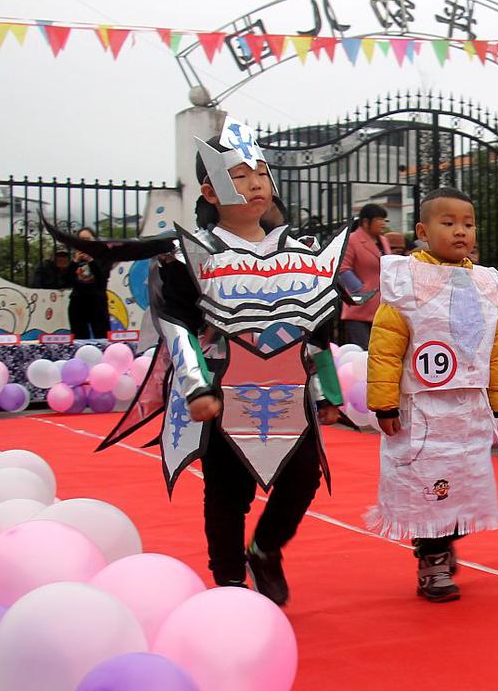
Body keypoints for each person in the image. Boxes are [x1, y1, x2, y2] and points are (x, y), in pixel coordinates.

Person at [71, 118, 346, 605]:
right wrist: (197, 387)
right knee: (227, 491)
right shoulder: (188, 257)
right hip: (223, 391)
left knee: (303, 477)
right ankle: (230, 585)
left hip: (288, 391)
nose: (255, 182)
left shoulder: (301, 253)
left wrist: (327, 394)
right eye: (239, 175)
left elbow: (318, 329)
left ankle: (265, 549)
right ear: (211, 190)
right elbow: (174, 322)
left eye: (260, 171)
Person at [366, 187, 498, 602]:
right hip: (423, 410)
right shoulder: (405, 282)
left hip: (468, 409)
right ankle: (431, 558)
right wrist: (384, 401)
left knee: (465, 486)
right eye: (447, 223)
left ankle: (444, 538)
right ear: (422, 230)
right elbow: (385, 346)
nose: (460, 232)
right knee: (430, 484)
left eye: (467, 224)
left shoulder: (485, 283)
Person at [339, 203, 391, 349]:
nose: (382, 223)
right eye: (379, 219)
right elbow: (343, 269)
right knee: (364, 354)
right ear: (366, 222)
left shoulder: (384, 241)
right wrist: (360, 291)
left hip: (381, 309)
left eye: (384, 220)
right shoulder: (352, 240)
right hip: (359, 310)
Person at [66, 228, 111, 339]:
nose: (84, 242)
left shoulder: (102, 256)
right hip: (78, 302)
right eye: (81, 239)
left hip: (97, 301)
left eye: (87, 239)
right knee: (79, 337)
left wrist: (91, 260)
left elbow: (103, 277)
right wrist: (75, 262)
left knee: (102, 336)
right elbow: (65, 279)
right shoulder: (74, 258)